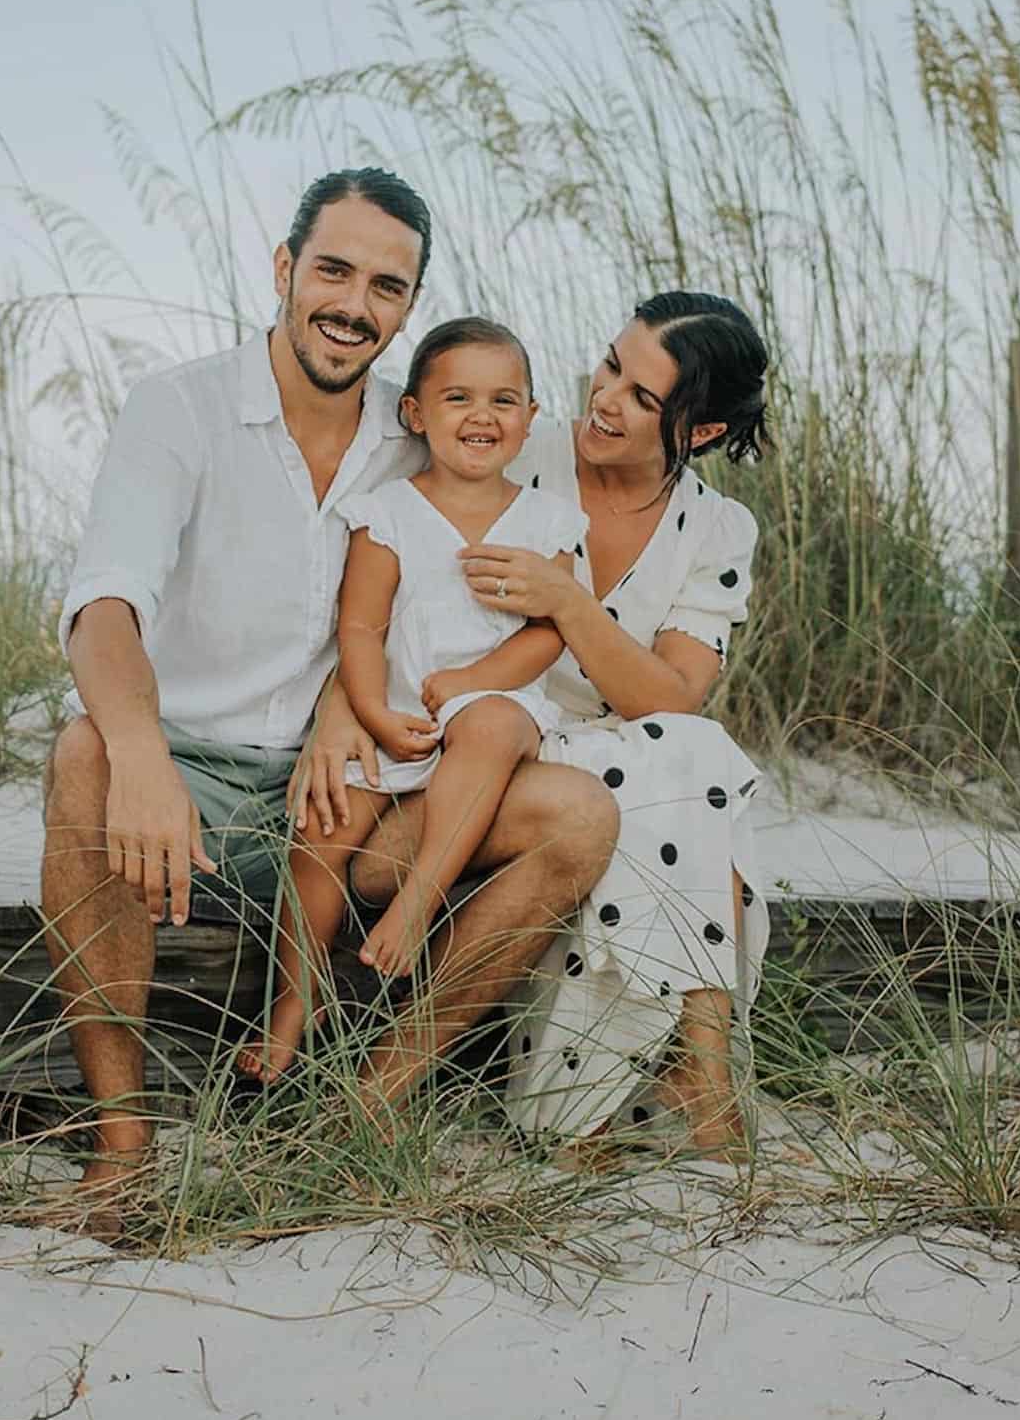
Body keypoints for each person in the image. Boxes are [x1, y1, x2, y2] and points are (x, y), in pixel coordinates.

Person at [40, 168, 618, 1223]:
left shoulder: (421, 443)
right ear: (285, 270)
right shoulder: (180, 407)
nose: (353, 304)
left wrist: (344, 713)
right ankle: (121, 1146)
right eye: (334, 270)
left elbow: (586, 474)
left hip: (348, 800)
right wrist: (140, 751)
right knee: (83, 751)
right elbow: (103, 605)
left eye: (385, 286)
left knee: (576, 817)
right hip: (187, 777)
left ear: (406, 307)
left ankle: (367, 1100)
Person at [356, 291, 771, 1153]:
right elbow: (369, 590)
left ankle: (629, 1087)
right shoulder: (508, 440)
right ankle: (694, 1069)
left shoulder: (719, 528)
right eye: (612, 364)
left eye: (643, 398)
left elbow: (668, 696)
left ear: (695, 432)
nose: (606, 398)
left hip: (619, 757)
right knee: (673, 775)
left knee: (673, 755)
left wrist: (567, 605)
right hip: (474, 744)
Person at [238, 318, 586, 1083]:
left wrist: (474, 679)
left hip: (492, 706)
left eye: (504, 399)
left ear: (531, 418)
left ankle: (419, 898)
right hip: (396, 711)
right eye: (457, 397)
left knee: (491, 723)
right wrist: (369, 711)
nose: (482, 415)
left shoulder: (546, 521)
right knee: (318, 833)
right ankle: (296, 1001)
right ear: (415, 413)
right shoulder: (387, 514)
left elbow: (547, 634)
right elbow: (359, 628)